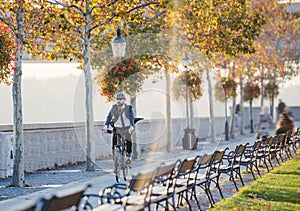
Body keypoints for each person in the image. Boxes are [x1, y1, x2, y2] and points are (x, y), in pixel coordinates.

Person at [103, 92, 135, 163]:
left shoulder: (128, 108)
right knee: (114, 142)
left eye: (120, 99)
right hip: (117, 128)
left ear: (124, 100)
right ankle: (115, 160)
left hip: (126, 128)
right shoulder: (114, 108)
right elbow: (109, 117)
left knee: (128, 140)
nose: (118, 101)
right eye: (117, 99)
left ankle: (129, 155)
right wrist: (106, 126)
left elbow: (131, 117)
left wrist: (132, 126)